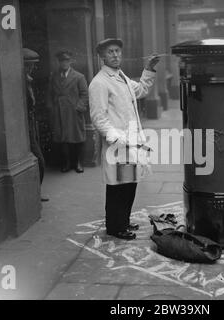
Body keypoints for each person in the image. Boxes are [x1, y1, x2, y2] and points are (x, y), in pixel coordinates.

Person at [89, 38, 160, 240]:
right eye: (110, 52)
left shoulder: (122, 77)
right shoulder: (99, 82)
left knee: (129, 183)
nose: (115, 55)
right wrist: (117, 139)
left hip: (131, 143)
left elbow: (141, 90)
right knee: (117, 187)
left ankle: (123, 221)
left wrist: (149, 69)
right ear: (102, 56)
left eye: (118, 51)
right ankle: (115, 227)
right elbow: (98, 117)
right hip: (118, 144)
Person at [48, 50, 88, 173]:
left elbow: (85, 94)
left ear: (70, 62)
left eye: (66, 61)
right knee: (62, 139)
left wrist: (79, 108)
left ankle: (78, 163)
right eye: (61, 61)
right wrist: (51, 108)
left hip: (73, 113)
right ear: (59, 62)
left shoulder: (79, 77)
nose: (64, 63)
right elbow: (49, 94)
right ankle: (66, 163)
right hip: (59, 112)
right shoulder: (54, 76)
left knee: (76, 138)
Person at [23, 48, 49, 202]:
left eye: (32, 66)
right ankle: (34, 193)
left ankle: (36, 192)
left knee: (39, 159)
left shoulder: (28, 80)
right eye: (28, 66)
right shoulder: (22, 83)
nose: (32, 68)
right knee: (39, 160)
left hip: (32, 125)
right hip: (25, 127)